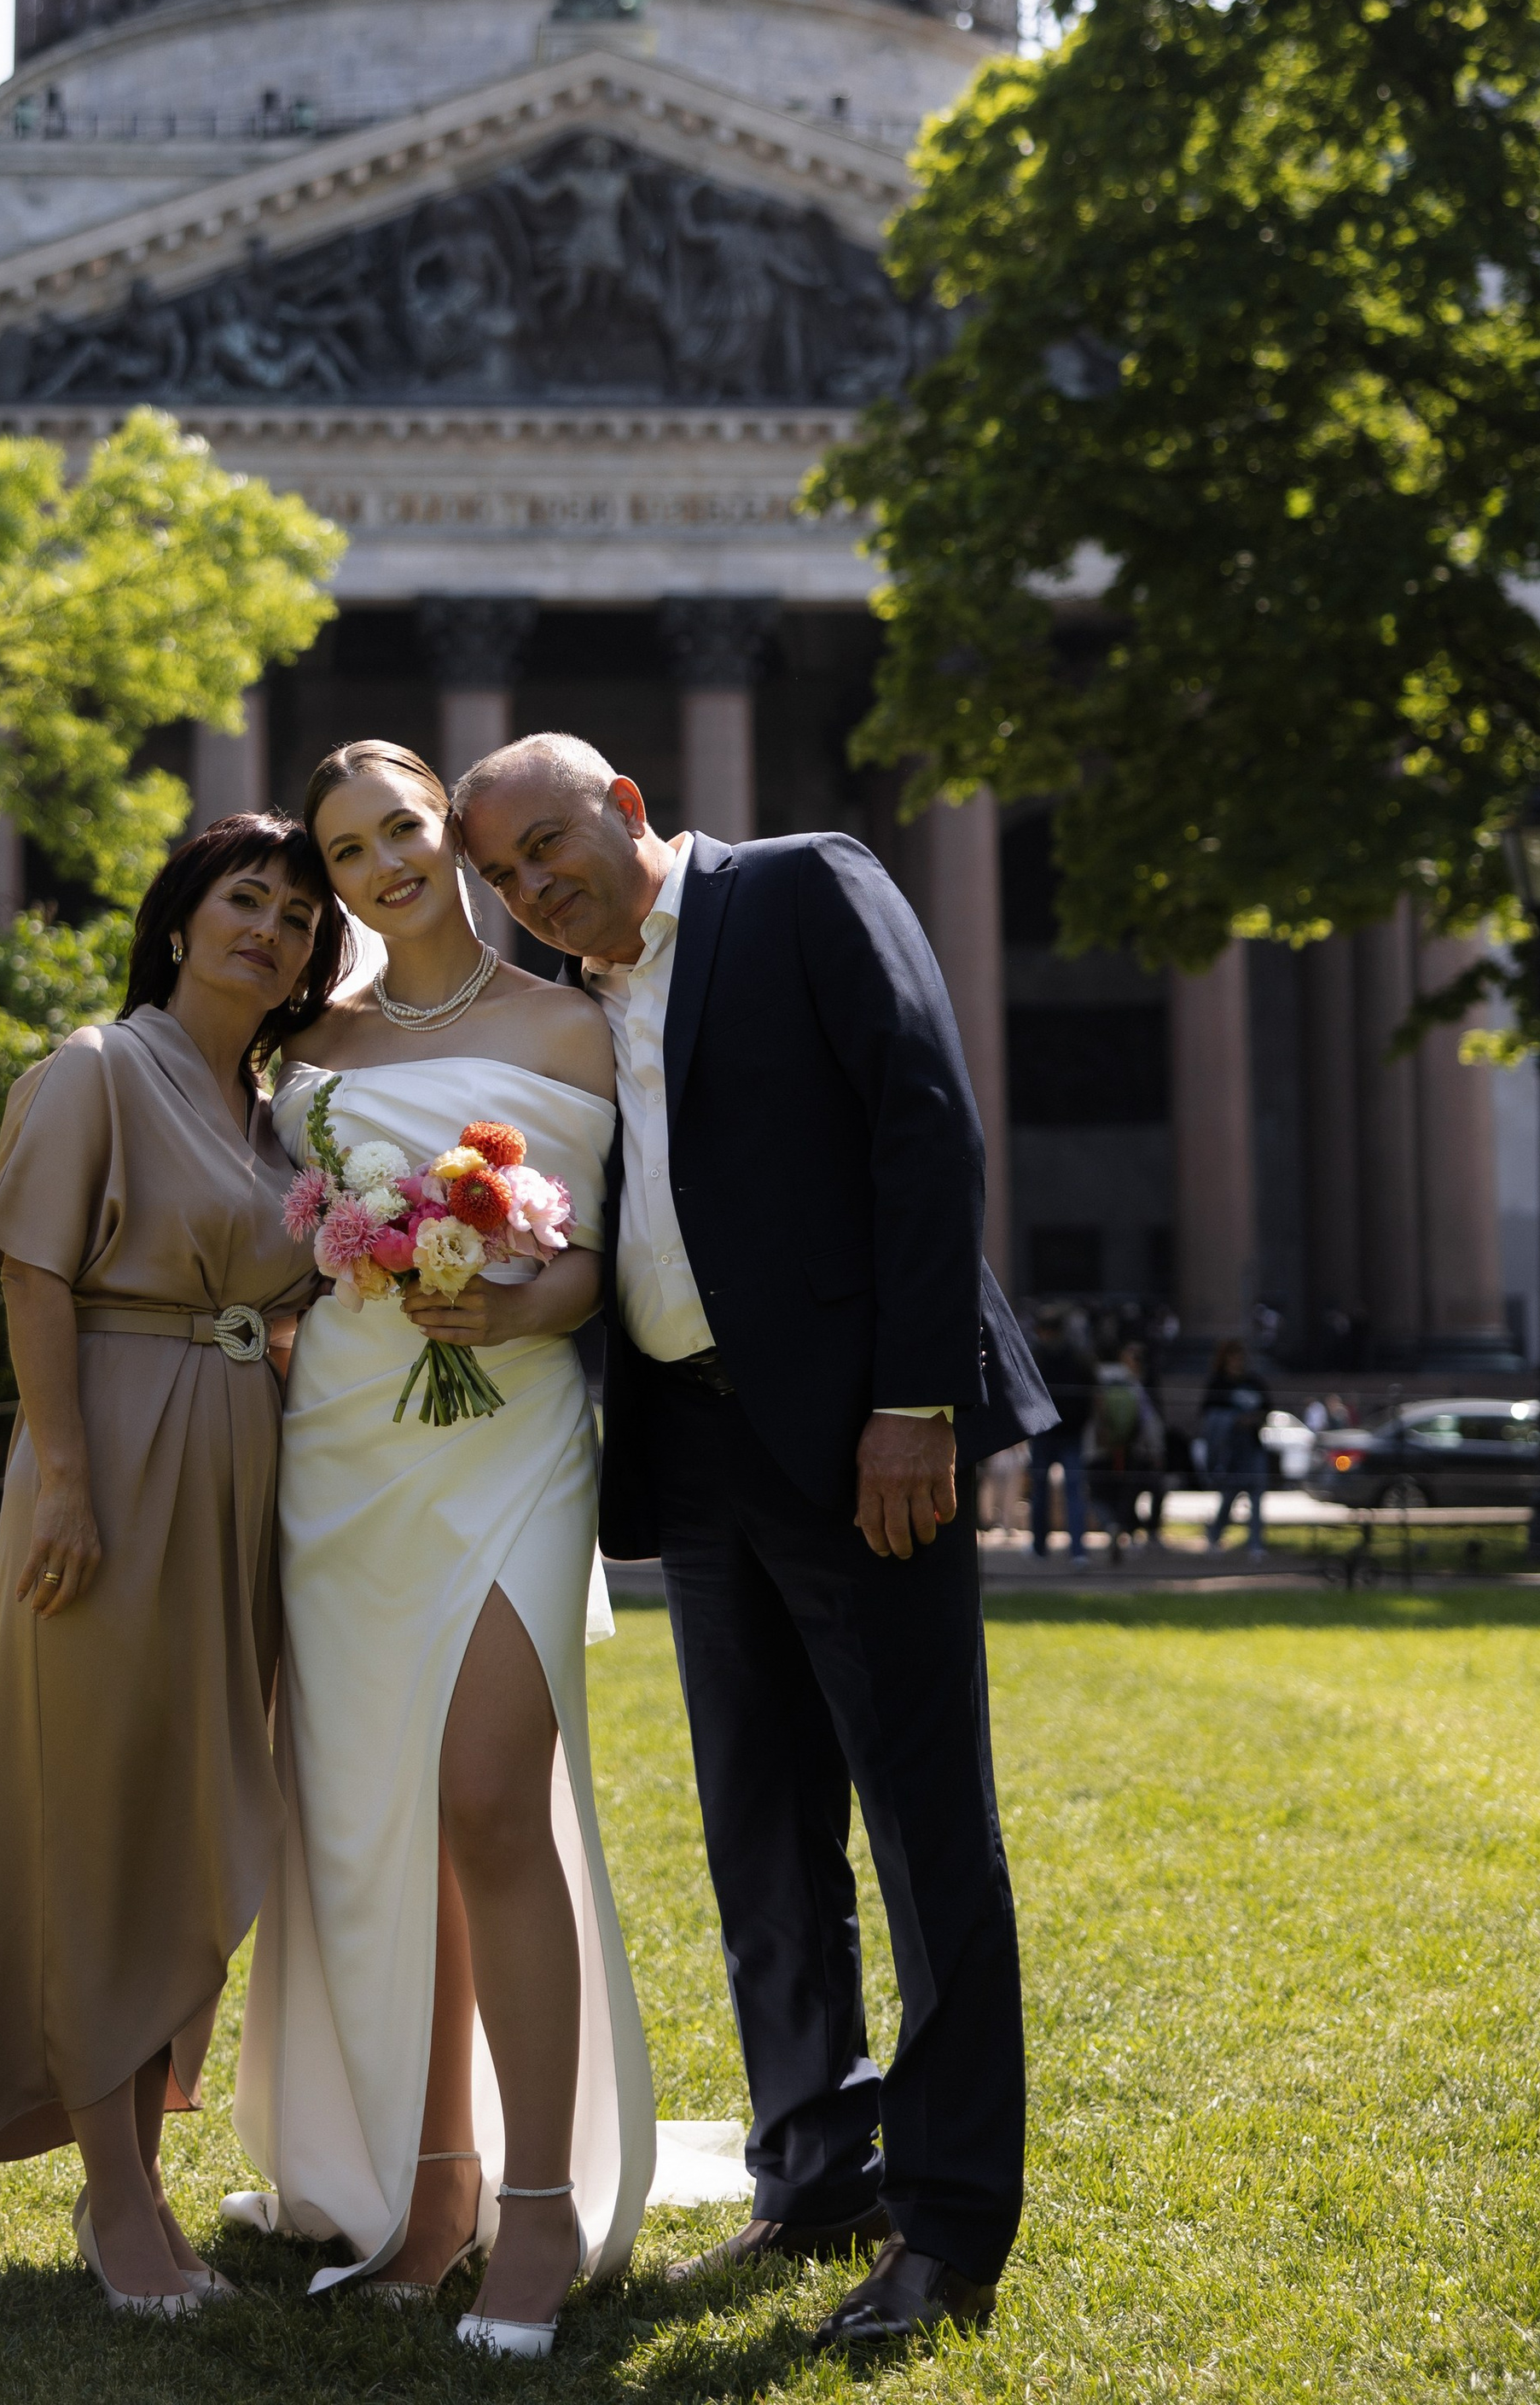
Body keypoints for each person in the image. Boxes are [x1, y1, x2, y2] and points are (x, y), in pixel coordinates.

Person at [456, 734, 1053, 2367]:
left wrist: (915, 1401)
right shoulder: (571, 997)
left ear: (629, 806)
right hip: (694, 1453)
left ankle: (946, 2223)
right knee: (760, 1838)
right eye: (499, 874)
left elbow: (927, 1131)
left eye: (547, 846)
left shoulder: (802, 890)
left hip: (868, 1441)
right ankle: (813, 2168)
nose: (529, 888)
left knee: (930, 1842)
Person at [233, 739, 654, 2361]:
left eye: (400, 828)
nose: (381, 866)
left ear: (447, 835)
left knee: (489, 1799)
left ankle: (538, 2214)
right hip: (343, 1463)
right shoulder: (307, 1052)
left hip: (515, 1455)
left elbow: (599, 1270)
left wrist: (515, 1292)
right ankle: (431, 2191)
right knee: (379, 1829)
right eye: (344, 853)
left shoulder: (574, 1023)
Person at [0, 812, 344, 2315]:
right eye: (244, 901)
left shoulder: (278, 1115)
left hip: (244, 1479)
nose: (272, 931)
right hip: (109, 1460)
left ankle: (147, 2180)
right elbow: (35, 1269)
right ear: (179, 923)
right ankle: (114, 2196)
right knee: (100, 1816)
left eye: (300, 919)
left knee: (193, 1811)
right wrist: (64, 1478)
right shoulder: (95, 1071)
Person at [1027, 1304, 1096, 1561]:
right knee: (1072, 1492)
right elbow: (1093, 1390)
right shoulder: (1078, 1356)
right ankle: (1076, 1550)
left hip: (1048, 1432)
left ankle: (1040, 1548)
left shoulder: (1036, 1357)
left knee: (1042, 1491)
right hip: (1067, 1431)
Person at [1090, 1342, 1165, 1563]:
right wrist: (1157, 1451)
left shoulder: (1099, 1379)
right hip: (1128, 1450)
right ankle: (1124, 1531)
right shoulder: (1133, 1387)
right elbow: (1150, 1423)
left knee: (1098, 1495)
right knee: (1125, 1496)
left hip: (1099, 1450)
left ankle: (1112, 1526)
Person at [1201, 1339, 1272, 1555]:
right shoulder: (1219, 1384)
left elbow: (1268, 1409)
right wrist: (1233, 1420)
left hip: (1253, 1443)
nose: (1238, 1362)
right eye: (1233, 1357)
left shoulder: (1254, 1381)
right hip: (1229, 1448)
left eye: (1240, 1357)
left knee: (1257, 1491)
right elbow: (1208, 1414)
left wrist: (1255, 1419)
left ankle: (1256, 1543)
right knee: (1230, 1493)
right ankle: (1214, 1535)